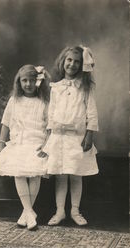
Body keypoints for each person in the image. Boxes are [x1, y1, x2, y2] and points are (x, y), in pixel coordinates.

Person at [44, 45, 99, 226]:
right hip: (59, 138)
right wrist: (49, 137)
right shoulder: (56, 87)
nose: (72, 64)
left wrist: (89, 135)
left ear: (82, 65)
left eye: (77, 62)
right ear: (63, 62)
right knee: (60, 175)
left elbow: (91, 112)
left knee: (76, 174)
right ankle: (60, 211)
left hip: (77, 138)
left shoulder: (85, 88)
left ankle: (75, 210)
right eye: (69, 60)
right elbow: (51, 113)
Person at [0, 64, 50, 230]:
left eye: (32, 80)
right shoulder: (14, 100)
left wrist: (46, 146)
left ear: (38, 82)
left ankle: (26, 212)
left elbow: (50, 127)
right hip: (18, 143)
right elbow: (6, 124)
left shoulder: (43, 102)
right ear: (19, 82)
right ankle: (30, 211)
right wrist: (0, 145)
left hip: (37, 143)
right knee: (19, 171)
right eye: (24, 80)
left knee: (35, 171)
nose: (28, 84)